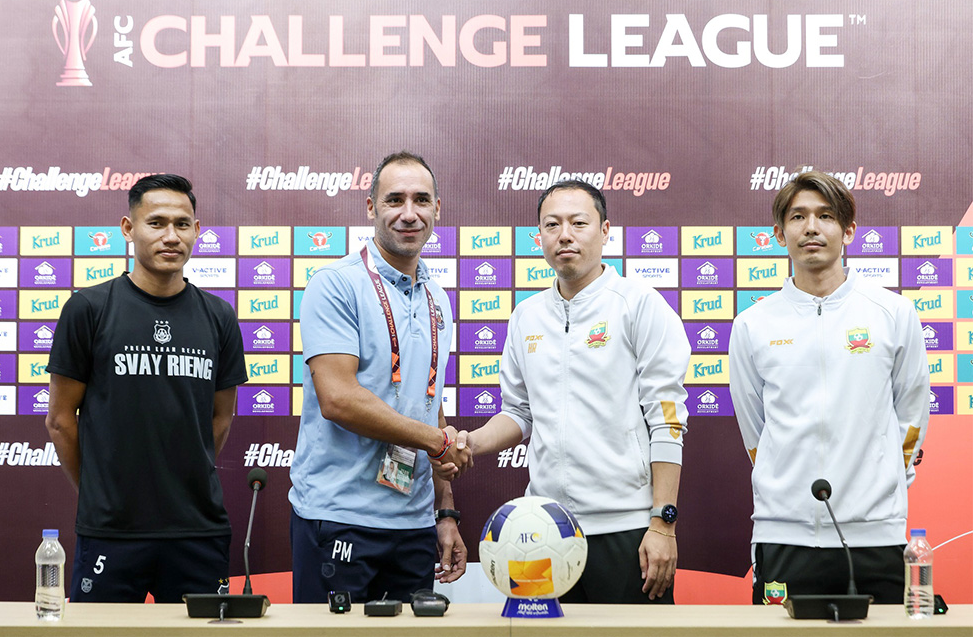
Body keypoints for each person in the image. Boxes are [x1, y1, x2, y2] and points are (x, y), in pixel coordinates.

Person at [442, 180, 690, 603]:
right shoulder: (526, 316)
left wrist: (662, 523)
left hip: (626, 529)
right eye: (552, 225)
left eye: (579, 222)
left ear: (606, 230)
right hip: (542, 529)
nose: (565, 235)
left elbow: (667, 419)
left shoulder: (639, 304)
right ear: (539, 237)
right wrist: (470, 443)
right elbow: (519, 413)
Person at [728, 170, 930, 605]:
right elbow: (755, 432)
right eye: (798, 217)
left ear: (849, 230)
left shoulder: (893, 313)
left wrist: (882, 481)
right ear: (780, 234)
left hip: (876, 534)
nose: (812, 228)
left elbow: (911, 417)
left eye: (825, 216)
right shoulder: (752, 325)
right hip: (783, 533)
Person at [45, 174, 248, 603]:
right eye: (156, 223)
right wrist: (102, 491)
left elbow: (221, 416)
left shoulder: (219, 316)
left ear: (197, 230)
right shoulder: (88, 309)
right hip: (111, 531)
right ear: (128, 228)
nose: (171, 236)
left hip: (198, 529)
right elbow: (61, 421)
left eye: (182, 223)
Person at [289, 151, 469, 604]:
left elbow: (430, 403)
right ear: (371, 208)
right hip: (339, 517)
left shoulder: (437, 298)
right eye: (394, 200)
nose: (409, 214)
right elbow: (339, 399)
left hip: (412, 525)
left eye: (421, 200)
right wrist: (436, 440)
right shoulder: (335, 284)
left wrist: (445, 511)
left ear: (437, 209)